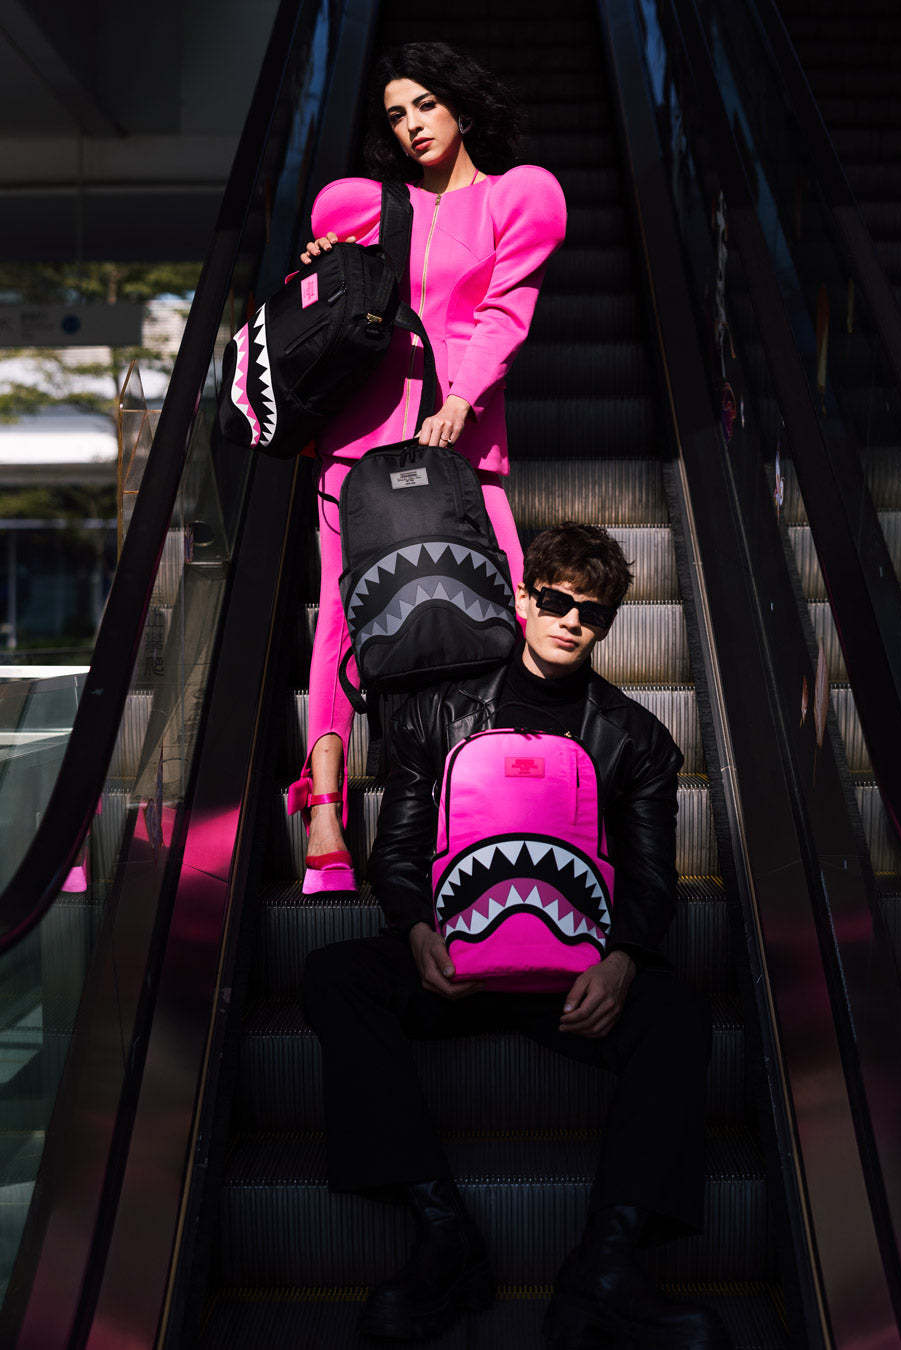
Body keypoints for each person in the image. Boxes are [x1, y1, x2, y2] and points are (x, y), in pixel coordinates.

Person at [302, 524, 730, 1349]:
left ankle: (607, 1267)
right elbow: (398, 852)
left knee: (678, 1014)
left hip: (570, 979)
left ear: (607, 626)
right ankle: (442, 1234)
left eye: (592, 613)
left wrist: (622, 961)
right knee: (333, 976)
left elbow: (651, 879)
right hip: (453, 963)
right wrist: (417, 931)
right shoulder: (436, 714)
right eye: (559, 601)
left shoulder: (638, 739)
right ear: (527, 599)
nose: (572, 622)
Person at [287, 42, 567, 893]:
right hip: (356, 442)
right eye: (396, 115)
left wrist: (463, 398)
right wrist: (322, 269)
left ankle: (499, 791)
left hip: (461, 442)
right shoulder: (371, 207)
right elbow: (335, 306)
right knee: (341, 618)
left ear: (461, 108)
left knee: (504, 597)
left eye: (425, 105)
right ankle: (325, 814)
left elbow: (506, 312)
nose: (411, 125)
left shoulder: (518, 197)